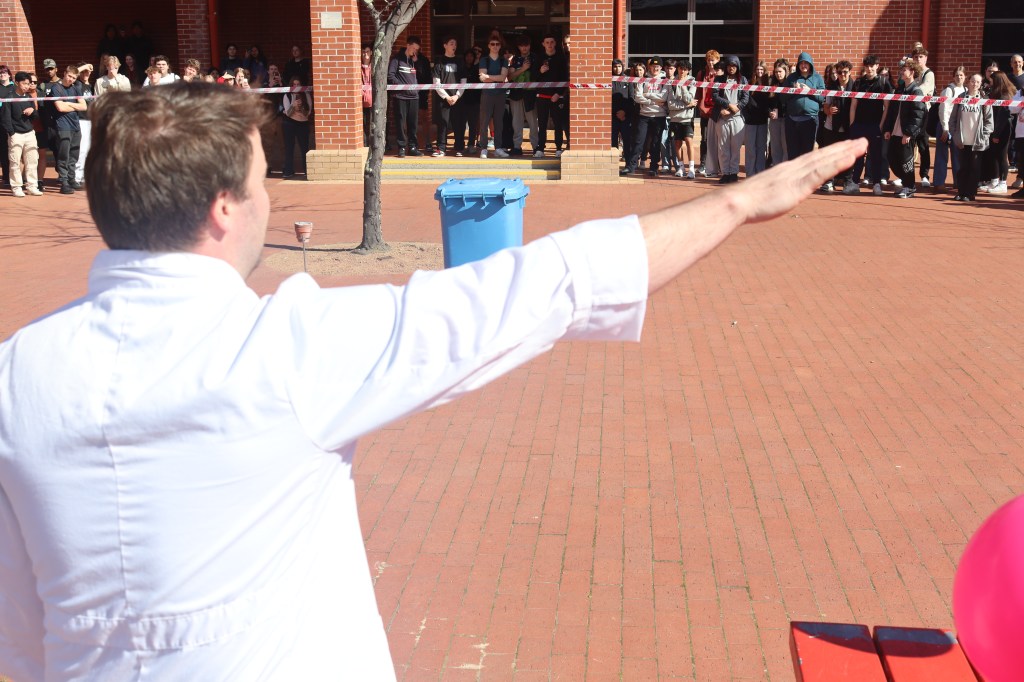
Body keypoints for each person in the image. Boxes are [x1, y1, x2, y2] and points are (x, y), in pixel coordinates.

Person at [0, 80, 867, 682]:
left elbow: (21, 628)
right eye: (264, 184)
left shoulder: (14, 375)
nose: (269, 200)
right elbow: (540, 287)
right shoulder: (285, 349)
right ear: (224, 208)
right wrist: (734, 203)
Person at [847, 55, 892, 195]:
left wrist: (881, 126)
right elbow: (853, 105)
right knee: (858, 155)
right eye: (867, 66)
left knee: (876, 156)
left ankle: (876, 184)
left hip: (875, 126)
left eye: (872, 66)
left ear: (877, 66)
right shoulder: (858, 83)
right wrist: (852, 124)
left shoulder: (884, 83)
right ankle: (855, 183)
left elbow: (887, 107)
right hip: (859, 125)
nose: (869, 69)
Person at [882, 59, 927, 198]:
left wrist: (908, 133)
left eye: (904, 70)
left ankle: (910, 187)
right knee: (891, 157)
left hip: (906, 134)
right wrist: (888, 129)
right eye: (901, 70)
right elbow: (891, 111)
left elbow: (918, 115)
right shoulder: (899, 89)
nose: (901, 72)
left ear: (912, 72)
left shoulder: (916, 91)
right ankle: (907, 183)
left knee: (906, 161)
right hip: (895, 132)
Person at [619, 56, 669, 177]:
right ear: (649, 67)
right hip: (644, 115)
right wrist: (652, 101)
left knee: (655, 143)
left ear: (661, 67)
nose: (655, 69)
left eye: (657, 67)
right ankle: (631, 167)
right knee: (638, 141)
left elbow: (663, 98)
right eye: (653, 66)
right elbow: (637, 97)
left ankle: (653, 168)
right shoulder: (644, 79)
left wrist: (647, 95)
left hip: (659, 116)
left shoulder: (665, 80)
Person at [948, 73, 992, 202]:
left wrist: (984, 136)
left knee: (974, 168)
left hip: (977, 141)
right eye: (973, 81)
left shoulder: (984, 99)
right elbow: (953, 118)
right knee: (962, 168)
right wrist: (955, 134)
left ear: (981, 84)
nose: (975, 84)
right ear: (968, 82)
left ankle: (970, 193)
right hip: (962, 140)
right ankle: (961, 192)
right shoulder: (961, 97)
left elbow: (989, 121)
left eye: (978, 82)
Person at [44, 64, 87, 195]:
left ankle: (72, 179)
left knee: (74, 154)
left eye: (74, 78)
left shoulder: (76, 87)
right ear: (64, 73)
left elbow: (84, 106)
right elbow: (60, 108)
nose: (71, 79)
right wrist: (74, 105)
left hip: (75, 125)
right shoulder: (56, 88)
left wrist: (68, 103)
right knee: (63, 155)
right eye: (69, 76)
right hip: (63, 126)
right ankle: (64, 182)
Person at [1, 71, 43, 196]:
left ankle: (32, 186)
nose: (27, 86)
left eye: (28, 84)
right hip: (16, 134)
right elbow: (5, 118)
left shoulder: (28, 97)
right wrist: (11, 133)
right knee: (15, 162)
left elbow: (36, 116)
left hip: (30, 133)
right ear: (17, 82)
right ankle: (16, 187)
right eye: (24, 83)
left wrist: (32, 110)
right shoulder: (9, 97)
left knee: (32, 160)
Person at [711, 54, 748, 184]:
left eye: (734, 66)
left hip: (737, 118)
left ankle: (734, 173)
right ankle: (725, 173)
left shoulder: (743, 80)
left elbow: (745, 97)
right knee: (723, 148)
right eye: (729, 66)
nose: (731, 68)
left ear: (738, 67)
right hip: (722, 118)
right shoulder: (719, 79)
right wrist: (727, 105)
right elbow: (715, 95)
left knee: (735, 148)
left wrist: (735, 108)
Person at [819, 59, 853, 193]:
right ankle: (829, 181)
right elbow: (825, 106)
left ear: (850, 72)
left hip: (848, 126)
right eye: (839, 72)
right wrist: (829, 110)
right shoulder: (831, 87)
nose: (842, 75)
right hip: (831, 126)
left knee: (848, 155)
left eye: (845, 72)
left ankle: (847, 181)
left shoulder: (855, 86)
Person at [978, 72, 1016, 195]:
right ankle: (994, 181)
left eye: (992, 81)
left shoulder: (1005, 96)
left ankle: (1003, 183)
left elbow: (1003, 117)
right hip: (996, 128)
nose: (990, 83)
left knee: (1002, 155)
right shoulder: (996, 94)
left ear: (998, 81)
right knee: (993, 155)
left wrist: (996, 134)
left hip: (1003, 129)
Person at [388, 36, 425, 158]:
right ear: (408, 45)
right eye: (413, 48)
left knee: (413, 124)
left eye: (417, 49)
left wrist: (416, 62)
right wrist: (402, 86)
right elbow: (390, 75)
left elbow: (420, 76)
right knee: (400, 123)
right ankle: (401, 147)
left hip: (414, 97)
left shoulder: (415, 60)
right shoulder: (397, 59)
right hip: (400, 96)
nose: (415, 51)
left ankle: (413, 147)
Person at [783, 52, 825, 159]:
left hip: (810, 120)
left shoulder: (818, 78)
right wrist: (793, 90)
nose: (803, 65)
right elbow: (783, 97)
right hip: (792, 120)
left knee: (807, 154)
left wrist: (810, 91)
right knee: (793, 153)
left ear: (810, 64)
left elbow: (822, 98)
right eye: (801, 63)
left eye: (806, 63)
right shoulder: (791, 78)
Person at [932, 66, 967, 194]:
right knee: (942, 155)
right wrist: (945, 128)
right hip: (945, 126)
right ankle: (939, 183)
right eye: (957, 75)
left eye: (961, 75)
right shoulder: (948, 90)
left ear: (965, 77)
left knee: (958, 155)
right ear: (953, 77)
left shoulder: (966, 90)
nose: (959, 77)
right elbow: (943, 110)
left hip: (958, 127)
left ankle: (958, 182)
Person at [534, 35, 569, 158]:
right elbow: (533, 77)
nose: (549, 44)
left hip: (556, 97)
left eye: (552, 42)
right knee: (542, 124)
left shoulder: (561, 58)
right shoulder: (539, 58)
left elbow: (565, 78)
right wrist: (540, 71)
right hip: (542, 96)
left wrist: (558, 93)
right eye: (547, 42)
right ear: (543, 44)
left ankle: (558, 148)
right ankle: (540, 148)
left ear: (555, 43)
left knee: (558, 124)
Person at [432, 36, 465, 157]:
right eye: (451, 43)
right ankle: (441, 148)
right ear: (445, 46)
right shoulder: (439, 62)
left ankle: (459, 148)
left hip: (457, 98)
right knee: (442, 123)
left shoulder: (460, 61)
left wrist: (457, 96)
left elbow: (463, 81)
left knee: (458, 123)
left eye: (455, 44)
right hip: (443, 99)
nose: (454, 46)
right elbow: (436, 82)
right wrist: (446, 97)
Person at [478, 34, 509, 159]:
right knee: (484, 122)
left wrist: (488, 76)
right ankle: (483, 148)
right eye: (492, 44)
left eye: (497, 44)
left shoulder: (503, 60)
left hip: (500, 94)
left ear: (500, 46)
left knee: (499, 122)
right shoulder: (484, 60)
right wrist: (494, 78)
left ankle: (498, 148)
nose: (495, 46)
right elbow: (482, 79)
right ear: (489, 46)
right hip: (487, 94)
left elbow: (503, 77)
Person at [507, 35, 538, 156]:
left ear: (530, 45)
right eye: (522, 46)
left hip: (531, 94)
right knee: (516, 121)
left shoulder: (535, 57)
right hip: (516, 94)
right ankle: (516, 146)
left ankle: (536, 146)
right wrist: (523, 69)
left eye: (526, 45)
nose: (524, 48)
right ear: (518, 47)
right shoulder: (514, 59)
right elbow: (510, 77)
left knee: (533, 122)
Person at [910, 46, 935, 187]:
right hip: (911, 112)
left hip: (924, 113)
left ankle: (924, 175)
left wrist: (911, 89)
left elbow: (922, 90)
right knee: (909, 145)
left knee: (923, 145)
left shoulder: (929, 74)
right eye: (916, 57)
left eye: (921, 57)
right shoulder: (911, 72)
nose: (918, 59)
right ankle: (906, 175)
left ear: (925, 58)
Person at [667, 59, 696, 178]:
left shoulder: (692, 81)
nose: (682, 71)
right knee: (677, 143)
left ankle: (692, 169)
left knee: (689, 141)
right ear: (677, 69)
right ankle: (681, 168)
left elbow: (689, 99)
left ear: (688, 71)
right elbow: (670, 104)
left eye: (685, 69)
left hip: (687, 118)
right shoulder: (671, 82)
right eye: (680, 69)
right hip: (675, 119)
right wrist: (686, 106)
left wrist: (683, 86)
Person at [696, 50, 721, 176]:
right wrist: (698, 104)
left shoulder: (721, 74)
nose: (711, 63)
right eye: (709, 60)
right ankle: (703, 163)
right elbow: (698, 91)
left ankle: (718, 164)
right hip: (705, 111)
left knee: (719, 139)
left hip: (717, 111)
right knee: (705, 139)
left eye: (713, 60)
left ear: (717, 61)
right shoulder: (701, 74)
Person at [281, 76, 312, 178]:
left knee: (304, 148)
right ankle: (288, 171)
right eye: (294, 84)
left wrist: (302, 106)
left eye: (298, 84)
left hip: (303, 123)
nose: (296, 86)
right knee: (289, 147)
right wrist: (293, 106)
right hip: (289, 123)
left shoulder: (306, 94)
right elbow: (288, 113)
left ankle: (307, 170)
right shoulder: (287, 95)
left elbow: (308, 113)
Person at [744, 60, 770, 177]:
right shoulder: (750, 83)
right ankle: (750, 173)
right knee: (750, 148)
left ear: (765, 71)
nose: (759, 71)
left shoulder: (768, 84)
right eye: (758, 69)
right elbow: (745, 99)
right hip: (750, 120)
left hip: (763, 120)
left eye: (761, 69)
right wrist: (746, 114)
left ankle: (759, 173)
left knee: (761, 148)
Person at [73, 63, 94, 186]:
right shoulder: (77, 84)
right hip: (81, 120)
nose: (86, 73)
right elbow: (73, 73)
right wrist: (85, 66)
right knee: (81, 150)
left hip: (90, 120)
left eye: (88, 71)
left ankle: (84, 176)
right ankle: (77, 177)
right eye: (84, 72)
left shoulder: (90, 86)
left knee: (88, 150)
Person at [767, 59, 789, 168]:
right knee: (775, 147)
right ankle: (776, 168)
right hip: (774, 119)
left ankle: (784, 170)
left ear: (785, 71)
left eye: (780, 71)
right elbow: (767, 102)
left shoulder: (790, 84)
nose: (778, 74)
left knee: (786, 147)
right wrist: (769, 112)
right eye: (776, 72)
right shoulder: (772, 84)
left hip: (786, 119)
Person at [611, 59, 632, 162]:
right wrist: (615, 112)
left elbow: (631, 98)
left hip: (625, 116)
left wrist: (624, 112)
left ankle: (628, 163)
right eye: (615, 66)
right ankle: (613, 163)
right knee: (613, 141)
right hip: (612, 115)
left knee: (627, 140)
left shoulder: (627, 80)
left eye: (619, 66)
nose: (617, 69)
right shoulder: (608, 79)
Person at [361, 45, 373, 147]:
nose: (366, 54)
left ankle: (372, 146)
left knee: (372, 125)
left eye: (367, 51)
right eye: (363, 52)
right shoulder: (358, 67)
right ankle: (365, 145)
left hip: (373, 101)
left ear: (371, 53)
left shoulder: (374, 67)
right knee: (363, 125)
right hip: (361, 102)